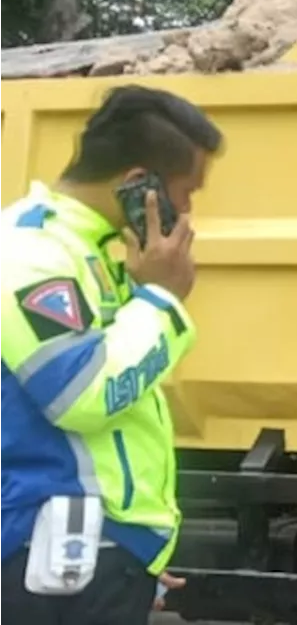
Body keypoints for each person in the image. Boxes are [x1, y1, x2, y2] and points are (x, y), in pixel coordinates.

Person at [0, 85, 221, 624]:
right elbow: (80, 394)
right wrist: (162, 299)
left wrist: (130, 548)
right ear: (137, 183)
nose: (189, 209)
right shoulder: (33, 255)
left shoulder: (90, 252)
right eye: (187, 190)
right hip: (50, 563)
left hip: (80, 556)